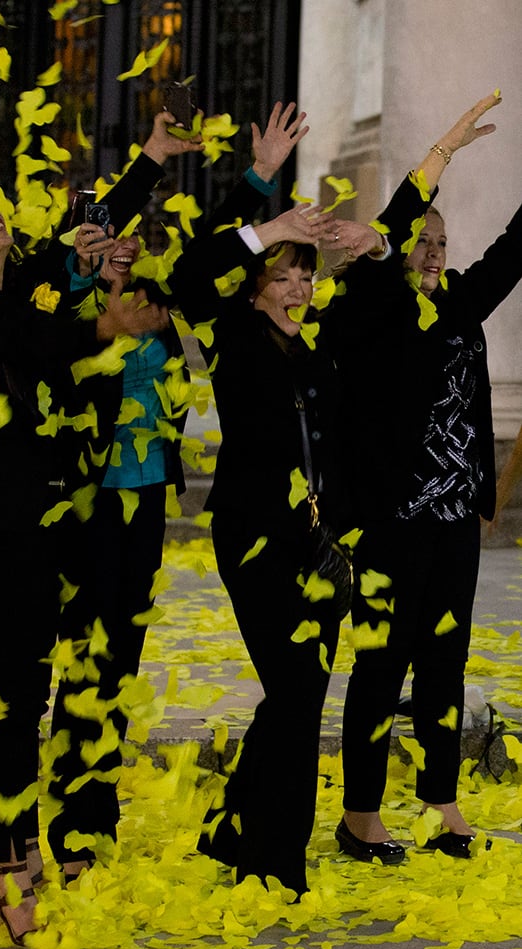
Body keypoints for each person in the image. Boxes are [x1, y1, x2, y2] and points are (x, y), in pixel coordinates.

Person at [0, 115, 199, 945]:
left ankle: (63, 838)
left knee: (77, 683)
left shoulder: (13, 278)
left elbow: (72, 247)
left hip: (67, 519)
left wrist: (151, 162)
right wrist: (110, 326)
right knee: (17, 703)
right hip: (14, 532)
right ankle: (7, 863)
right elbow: (43, 338)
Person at [40, 102, 317, 884]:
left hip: (146, 504)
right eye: (103, 236)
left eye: (131, 236)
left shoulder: (160, 305)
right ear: (83, 249)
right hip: (84, 505)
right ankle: (72, 823)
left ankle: (96, 813)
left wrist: (261, 176)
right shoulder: (71, 308)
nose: (122, 243)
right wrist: (100, 242)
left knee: (119, 661)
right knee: (87, 660)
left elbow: (208, 251)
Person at [169, 106, 386, 897]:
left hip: (324, 542)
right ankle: (272, 861)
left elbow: (379, 284)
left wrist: (383, 237)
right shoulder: (229, 331)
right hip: (256, 535)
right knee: (296, 690)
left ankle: (234, 824)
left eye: (304, 270)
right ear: (256, 281)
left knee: (301, 690)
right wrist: (260, 197)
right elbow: (191, 274)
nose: (297, 282)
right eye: (282, 271)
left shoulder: (320, 341)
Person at [327, 92, 519, 863]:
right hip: (389, 524)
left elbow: (513, 249)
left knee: (446, 659)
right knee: (382, 660)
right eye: (421, 240)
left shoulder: (462, 308)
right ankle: (361, 815)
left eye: (442, 241)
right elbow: (394, 234)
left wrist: (478, 499)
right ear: (396, 247)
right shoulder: (369, 313)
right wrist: (441, 154)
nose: (433, 250)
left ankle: (442, 803)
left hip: (451, 525)